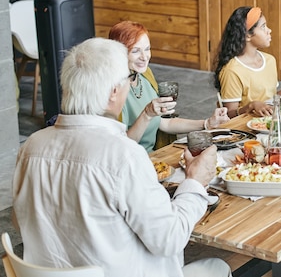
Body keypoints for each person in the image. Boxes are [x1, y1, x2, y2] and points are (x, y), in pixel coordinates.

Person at [12, 37, 231, 277]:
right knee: (218, 267)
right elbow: (169, 239)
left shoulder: (31, 146)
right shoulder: (124, 155)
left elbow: (19, 221)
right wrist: (195, 181)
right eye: (128, 79)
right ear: (114, 92)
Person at [109, 21, 229, 152]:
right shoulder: (113, 91)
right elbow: (122, 147)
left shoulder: (145, 75)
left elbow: (164, 123)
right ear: (119, 53)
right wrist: (146, 115)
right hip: (132, 162)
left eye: (147, 49)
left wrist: (207, 123)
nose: (145, 57)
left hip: (155, 157)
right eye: (136, 51)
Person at [213, 6, 281, 118]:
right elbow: (229, 114)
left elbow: (271, 100)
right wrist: (251, 106)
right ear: (248, 35)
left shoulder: (270, 60)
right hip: (245, 127)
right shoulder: (232, 70)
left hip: (267, 123)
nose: (269, 30)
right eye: (263, 27)